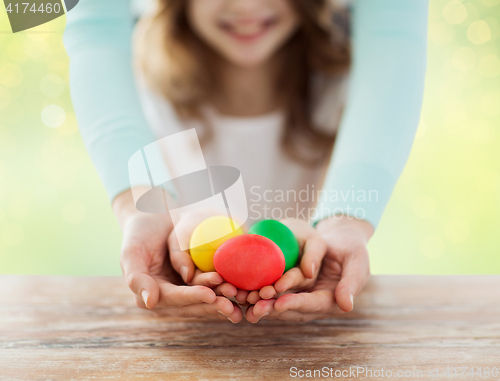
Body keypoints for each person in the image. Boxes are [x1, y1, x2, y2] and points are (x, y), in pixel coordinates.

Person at [63, 0, 429, 323]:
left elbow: (396, 28)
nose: (245, 5)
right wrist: (144, 211)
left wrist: (345, 224)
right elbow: (90, 23)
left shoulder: (341, 89)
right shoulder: (145, 91)